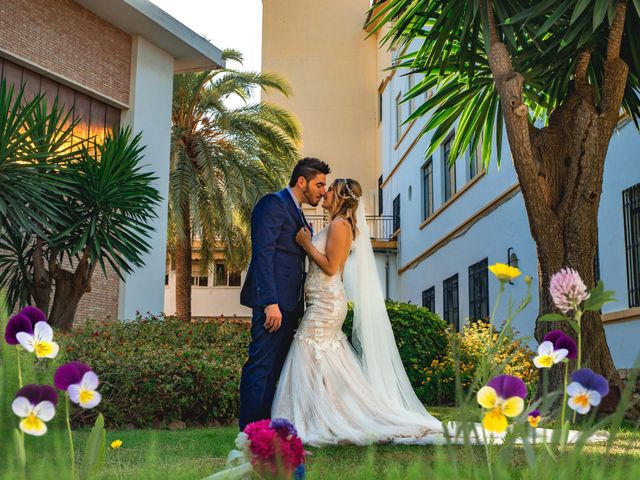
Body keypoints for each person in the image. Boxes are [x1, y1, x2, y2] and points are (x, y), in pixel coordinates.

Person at [271, 178, 443, 445]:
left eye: (331, 190)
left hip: (327, 304)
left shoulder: (340, 226)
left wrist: (307, 245)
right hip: (322, 300)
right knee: (324, 361)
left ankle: (307, 419)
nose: (325, 193)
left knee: (305, 351)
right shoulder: (336, 224)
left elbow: (330, 268)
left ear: (341, 197)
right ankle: (324, 415)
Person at [238, 157, 330, 431]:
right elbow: (264, 255)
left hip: (291, 304)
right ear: (302, 181)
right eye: (319, 184)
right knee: (261, 367)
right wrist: (270, 303)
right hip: (275, 304)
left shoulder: (297, 211)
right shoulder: (272, 204)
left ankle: (266, 430)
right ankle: (250, 432)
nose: (322, 191)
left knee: (276, 371)